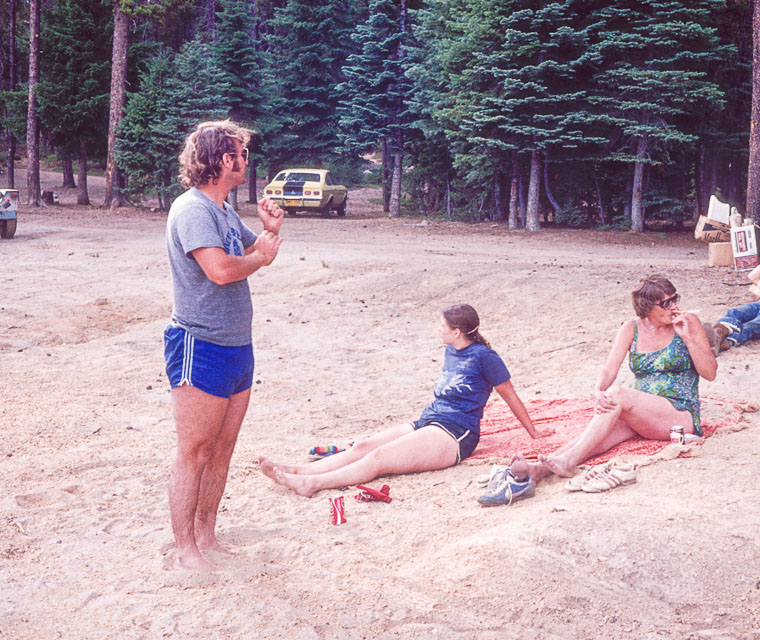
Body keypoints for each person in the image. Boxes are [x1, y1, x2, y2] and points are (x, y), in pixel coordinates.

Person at [258, 304, 552, 497]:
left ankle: (312, 484)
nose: (438, 330)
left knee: (378, 458)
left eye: (442, 326)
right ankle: (298, 470)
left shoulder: (485, 358)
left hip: (456, 433)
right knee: (362, 446)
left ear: (457, 332)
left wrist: (534, 432)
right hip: (430, 418)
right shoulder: (452, 350)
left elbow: (509, 395)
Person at [480, 275, 717, 505]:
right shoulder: (631, 328)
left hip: (679, 412)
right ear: (647, 307)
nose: (673, 307)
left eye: (675, 299)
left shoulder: (688, 323)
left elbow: (710, 373)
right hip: (645, 411)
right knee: (592, 435)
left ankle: (567, 463)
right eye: (666, 303)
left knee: (618, 396)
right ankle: (537, 471)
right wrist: (597, 390)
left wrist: (686, 337)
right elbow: (609, 368)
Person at [164, 120, 285, 571]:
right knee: (194, 452)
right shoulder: (193, 209)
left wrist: (271, 229)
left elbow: (258, 253)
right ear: (218, 159)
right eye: (239, 153)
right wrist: (259, 255)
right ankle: (184, 550)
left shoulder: (225, 210)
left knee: (222, 448)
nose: (245, 160)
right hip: (201, 344)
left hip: (238, 345)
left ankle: (206, 535)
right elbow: (221, 269)